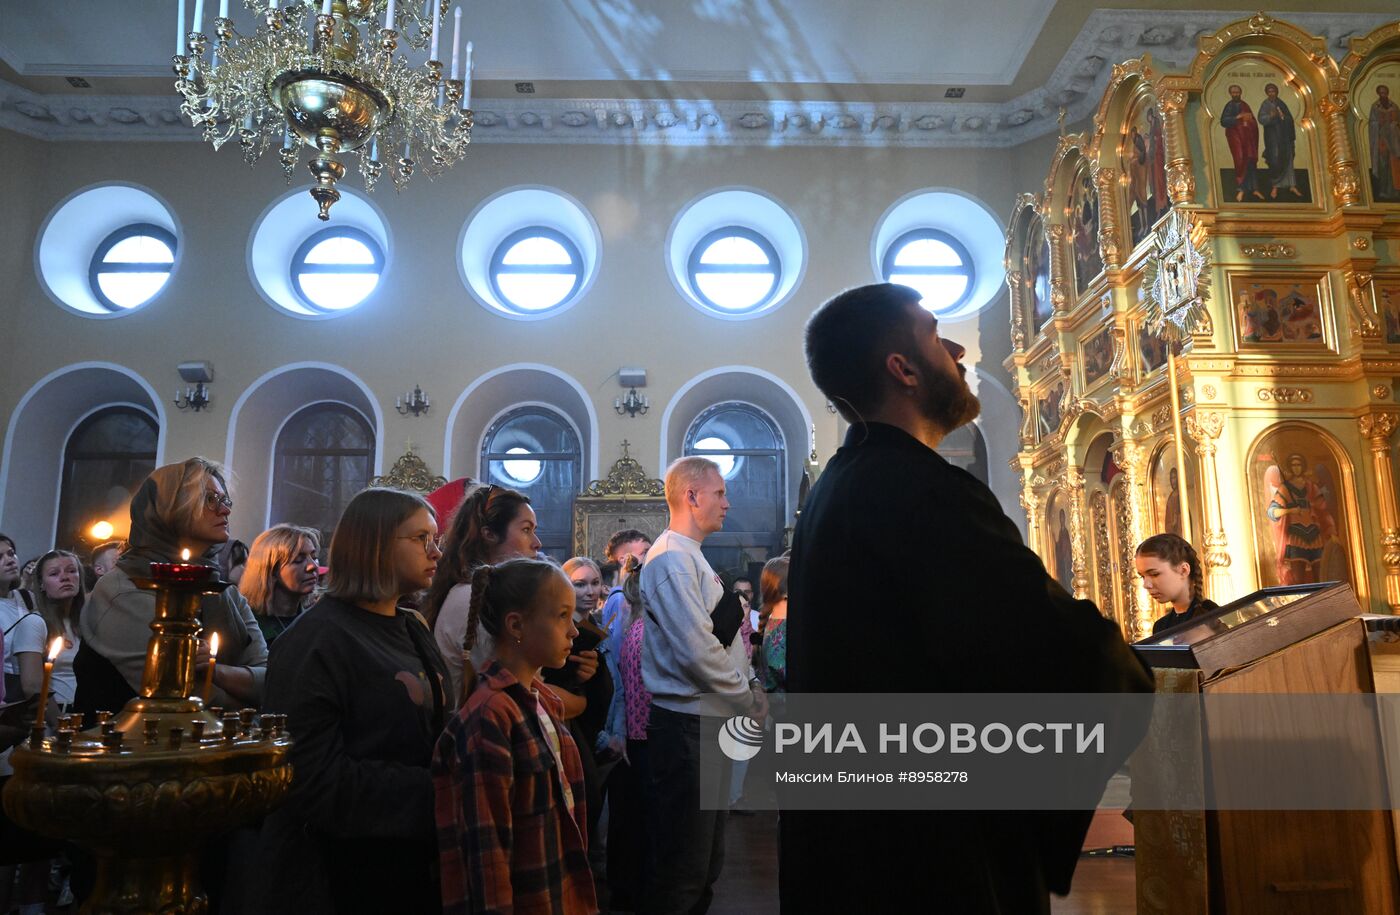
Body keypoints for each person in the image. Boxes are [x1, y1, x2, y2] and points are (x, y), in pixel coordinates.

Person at [784, 282, 1153, 913]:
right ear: (902, 369)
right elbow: (1048, 647)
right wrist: (1134, 669)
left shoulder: (838, 488)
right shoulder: (925, 492)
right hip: (929, 848)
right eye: (934, 334)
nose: (955, 348)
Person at [254, 488, 449, 914]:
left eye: (436, 539)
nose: (436, 551)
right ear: (374, 543)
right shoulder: (316, 641)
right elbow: (310, 777)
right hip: (339, 870)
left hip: (410, 856)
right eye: (421, 539)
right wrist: (441, 790)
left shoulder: (410, 626)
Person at [434, 558, 597, 914]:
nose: (573, 631)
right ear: (516, 624)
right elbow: (488, 853)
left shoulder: (545, 700)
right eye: (561, 616)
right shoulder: (490, 715)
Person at [640, 456, 766, 915]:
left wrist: (749, 681)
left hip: (707, 722)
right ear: (691, 496)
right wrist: (746, 697)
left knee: (707, 861)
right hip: (687, 725)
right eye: (720, 494)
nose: (727, 504)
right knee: (684, 869)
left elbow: (722, 641)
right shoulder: (671, 560)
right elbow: (697, 653)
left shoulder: (691, 557)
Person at [75, 459, 267, 718]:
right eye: (211, 499)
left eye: (225, 500)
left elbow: (268, 677)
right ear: (169, 509)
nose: (225, 511)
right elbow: (183, 697)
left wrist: (216, 670)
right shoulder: (122, 589)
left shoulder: (223, 590)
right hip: (128, 750)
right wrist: (251, 704)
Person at [423, 484, 542, 705]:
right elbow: (515, 689)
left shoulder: (477, 591)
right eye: (526, 530)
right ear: (489, 534)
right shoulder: (473, 596)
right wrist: (579, 700)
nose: (537, 543)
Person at [239, 524, 321, 646]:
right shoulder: (244, 622)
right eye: (298, 560)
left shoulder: (316, 622)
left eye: (314, 557)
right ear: (271, 570)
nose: (313, 566)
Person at [31, 550, 84, 719]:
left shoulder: (88, 622)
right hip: (57, 713)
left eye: (71, 571)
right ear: (41, 584)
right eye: (54, 573)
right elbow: (33, 685)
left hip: (87, 710)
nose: (65, 577)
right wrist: (57, 722)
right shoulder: (35, 622)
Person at [1136, 534, 1219, 635]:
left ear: (1183, 570)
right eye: (1142, 576)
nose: (1146, 585)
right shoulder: (1160, 626)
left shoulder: (1212, 615)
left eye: (1154, 574)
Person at [1257, 83, 1300, 199]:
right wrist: (1270, 116)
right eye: (1269, 91)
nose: (1272, 93)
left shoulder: (1281, 104)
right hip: (1272, 138)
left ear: (1276, 92)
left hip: (1284, 137)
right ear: (1267, 93)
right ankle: (1275, 186)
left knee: (1288, 157)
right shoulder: (1265, 104)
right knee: (1275, 159)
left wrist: (1282, 117)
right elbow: (1261, 119)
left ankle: (1292, 185)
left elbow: (1289, 119)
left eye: (1273, 91)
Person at [1221, 84, 1262, 201]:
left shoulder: (1245, 105)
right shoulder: (1229, 106)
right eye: (1233, 92)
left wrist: (1250, 122)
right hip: (1236, 138)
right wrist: (1238, 117)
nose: (1235, 94)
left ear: (1240, 93)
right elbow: (1224, 121)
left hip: (1248, 139)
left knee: (1250, 161)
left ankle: (1255, 189)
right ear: (1230, 94)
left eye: (1237, 92)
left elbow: (1253, 122)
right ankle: (1241, 189)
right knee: (1240, 160)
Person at [1371, 85, 1400, 202]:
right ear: (1378, 94)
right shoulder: (1375, 107)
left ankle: (1395, 191)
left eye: (1385, 93)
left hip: (1395, 142)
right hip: (1382, 142)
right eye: (1381, 93)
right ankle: (1383, 191)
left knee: (1395, 166)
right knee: (1384, 166)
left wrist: (1395, 125)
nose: (1383, 95)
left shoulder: (1395, 107)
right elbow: (1372, 123)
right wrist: (1378, 124)